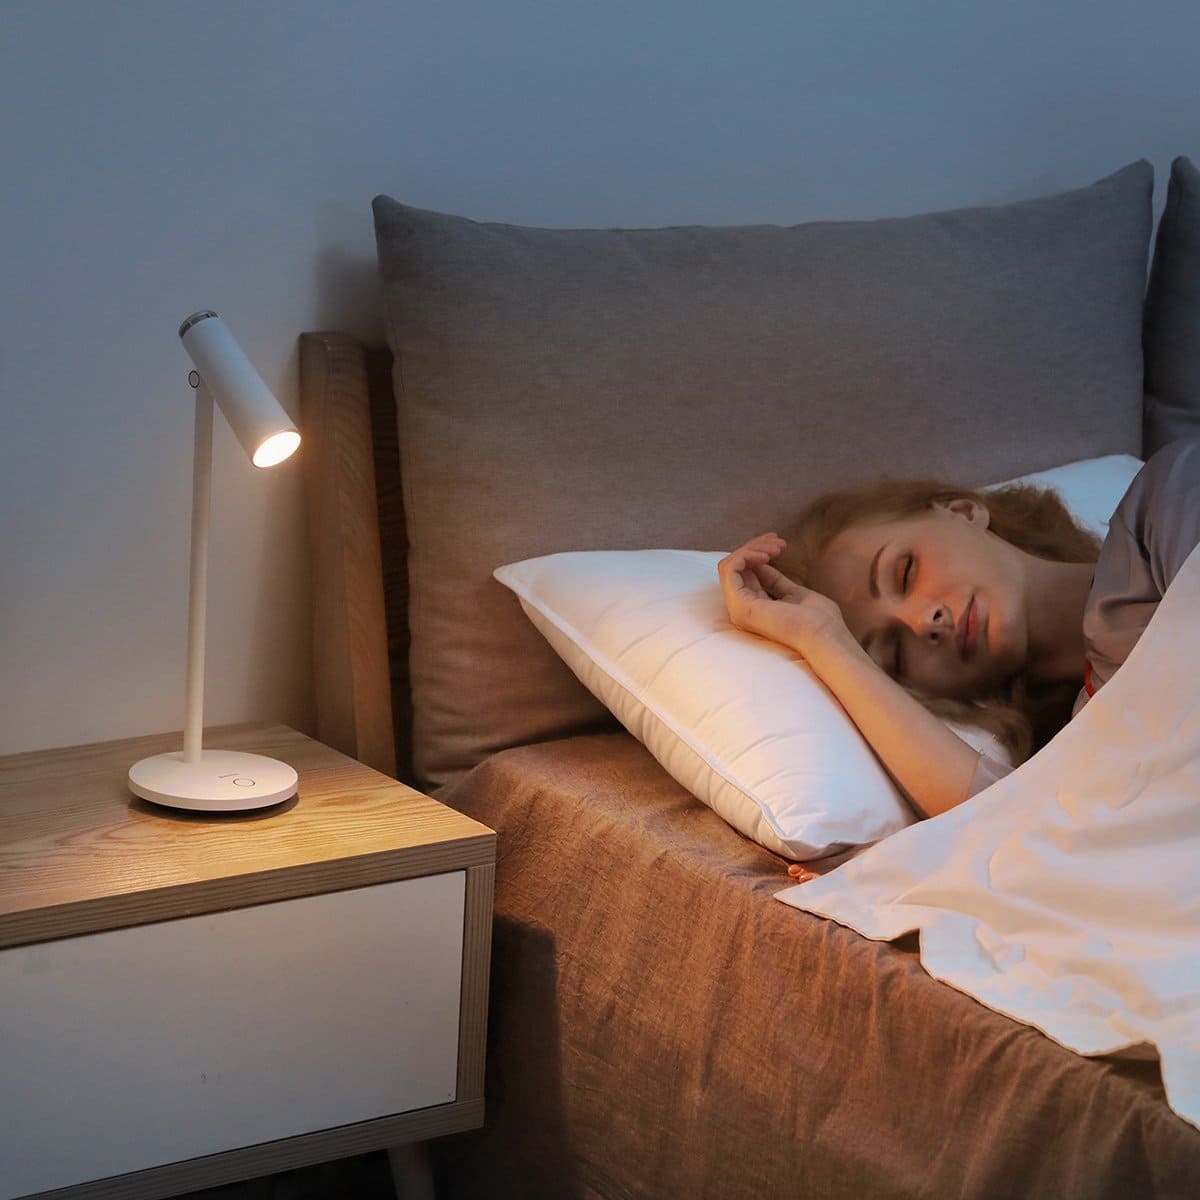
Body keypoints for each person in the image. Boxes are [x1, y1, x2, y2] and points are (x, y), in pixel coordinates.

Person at [718, 439, 1200, 878]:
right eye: (895, 653)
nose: (923, 622)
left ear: (963, 511)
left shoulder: (1165, 504)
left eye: (905, 572)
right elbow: (1007, 831)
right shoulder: (1068, 765)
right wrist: (822, 638)